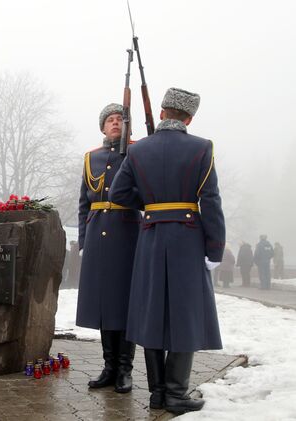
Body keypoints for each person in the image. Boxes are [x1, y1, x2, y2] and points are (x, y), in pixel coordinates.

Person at [110, 87, 225, 415]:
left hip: (150, 238)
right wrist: (215, 248)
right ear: (189, 118)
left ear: (161, 113)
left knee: (151, 314)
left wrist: (152, 208)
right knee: (184, 316)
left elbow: (119, 194)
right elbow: (211, 201)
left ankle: (158, 393)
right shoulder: (202, 148)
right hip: (188, 240)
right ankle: (176, 394)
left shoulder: (138, 151)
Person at [76, 103, 141, 393]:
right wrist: (83, 240)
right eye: (110, 120)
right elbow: (83, 203)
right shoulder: (92, 158)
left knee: (125, 305)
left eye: (119, 120)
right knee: (104, 305)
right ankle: (109, 366)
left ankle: (125, 369)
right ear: (102, 127)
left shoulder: (137, 153)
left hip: (127, 234)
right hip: (97, 236)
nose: (115, 123)